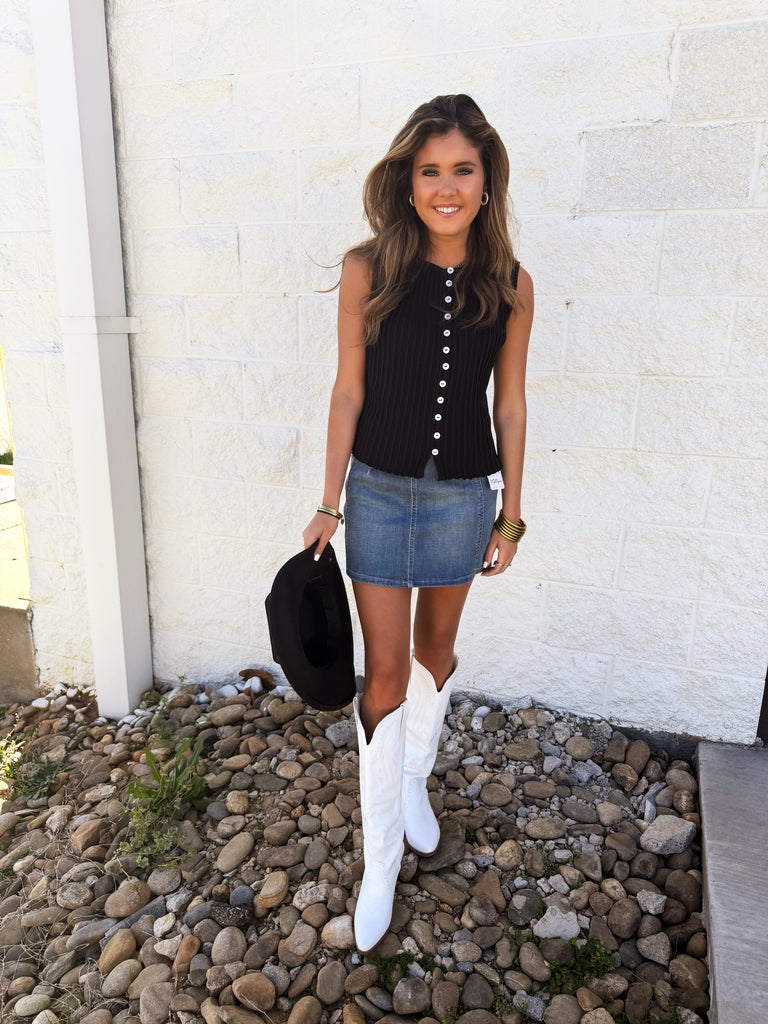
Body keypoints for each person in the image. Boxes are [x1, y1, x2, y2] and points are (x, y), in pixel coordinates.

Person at [302, 94, 534, 952]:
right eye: (430, 170)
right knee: (386, 676)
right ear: (407, 181)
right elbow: (347, 391)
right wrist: (330, 500)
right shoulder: (368, 269)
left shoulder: (511, 284)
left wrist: (512, 515)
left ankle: (411, 783)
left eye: (462, 170)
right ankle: (381, 858)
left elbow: (510, 404)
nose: (445, 187)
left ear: (486, 180)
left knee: (437, 655)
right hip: (377, 494)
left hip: (462, 496)